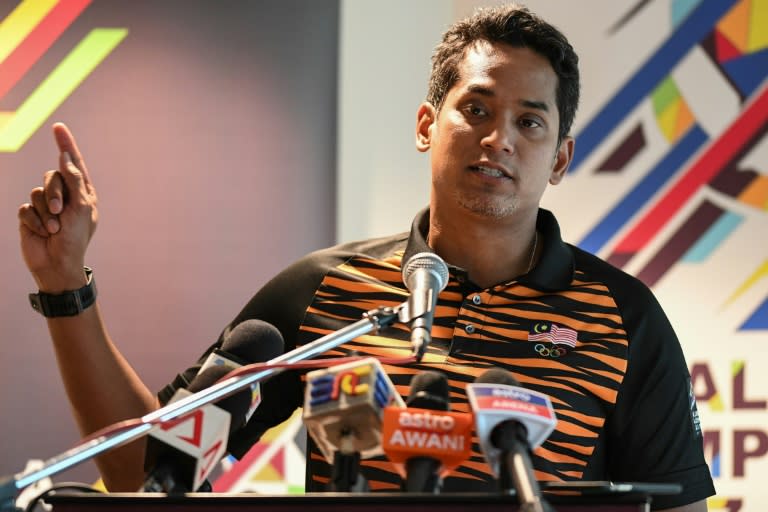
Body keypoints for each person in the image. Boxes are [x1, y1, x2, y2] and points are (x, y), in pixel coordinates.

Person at [17, 4, 714, 511]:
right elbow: (147, 475)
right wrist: (64, 286)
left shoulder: (624, 318)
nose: (499, 139)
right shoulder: (322, 292)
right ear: (425, 126)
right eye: (475, 109)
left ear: (560, 158)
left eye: (530, 121)